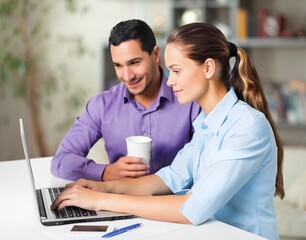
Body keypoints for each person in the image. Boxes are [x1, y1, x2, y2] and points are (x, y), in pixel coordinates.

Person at [51, 22, 284, 240]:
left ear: (208, 68)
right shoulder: (206, 121)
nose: (170, 82)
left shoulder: (247, 127)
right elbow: (170, 177)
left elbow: (193, 208)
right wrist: (103, 186)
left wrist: (99, 200)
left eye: (176, 70)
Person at [51, 19, 201, 181]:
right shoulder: (102, 105)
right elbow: (61, 161)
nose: (127, 76)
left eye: (134, 62)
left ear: (156, 55)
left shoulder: (190, 101)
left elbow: (206, 163)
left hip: (173, 203)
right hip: (118, 204)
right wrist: (105, 172)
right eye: (118, 66)